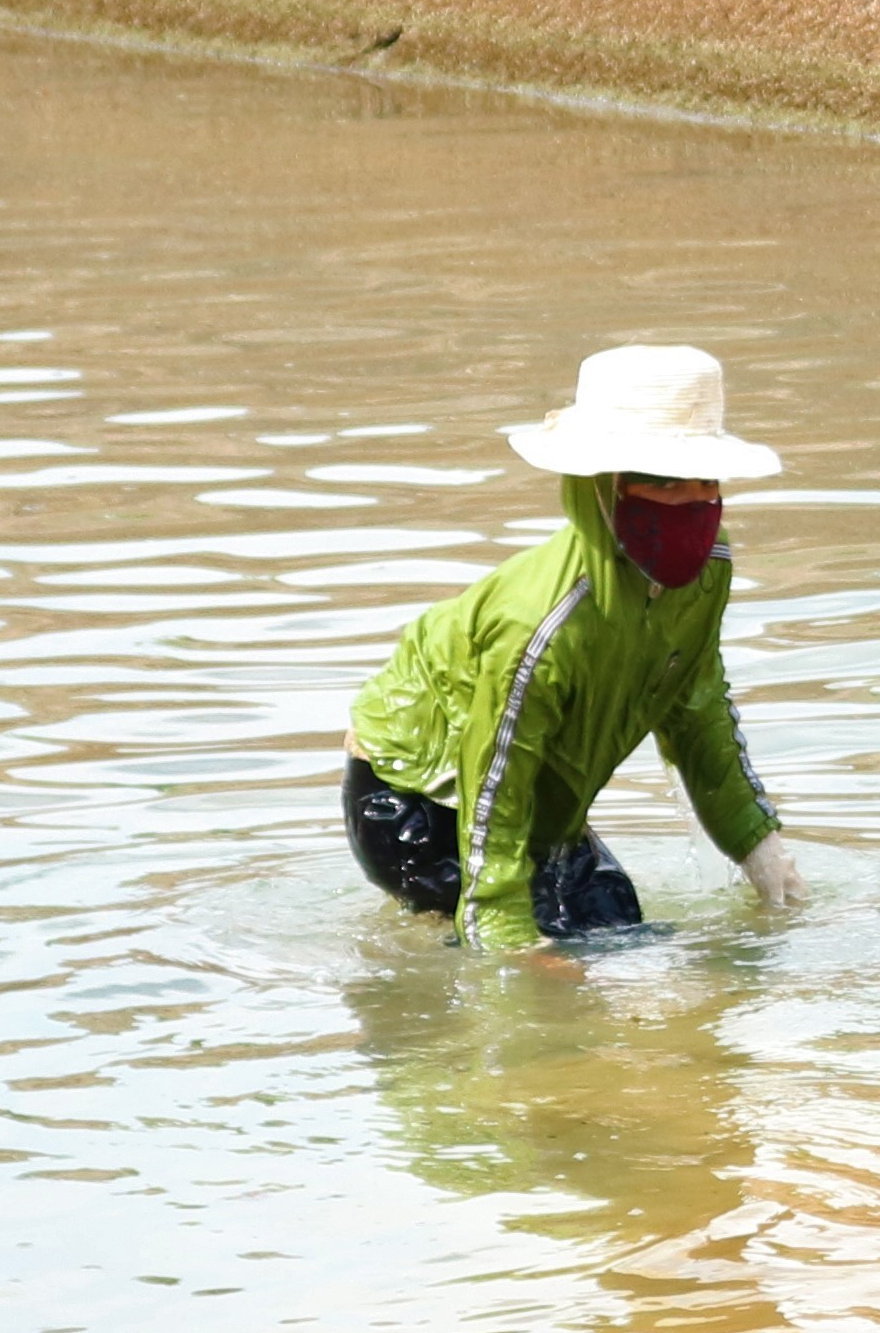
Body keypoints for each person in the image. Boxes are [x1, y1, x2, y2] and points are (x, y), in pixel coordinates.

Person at [343, 344, 805, 948]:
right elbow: (494, 782)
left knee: (626, 930)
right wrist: (508, 940)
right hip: (418, 794)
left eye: (706, 480)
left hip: (536, 802)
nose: (693, 502)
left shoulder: (707, 573)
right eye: (665, 482)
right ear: (602, 488)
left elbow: (697, 707)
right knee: (545, 954)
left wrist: (759, 847)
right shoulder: (538, 622)